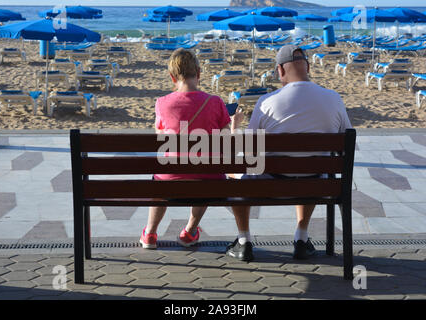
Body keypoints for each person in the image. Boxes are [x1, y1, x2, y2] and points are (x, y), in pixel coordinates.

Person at [227, 44, 352, 262]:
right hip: (317, 185)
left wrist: (234, 129)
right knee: (310, 168)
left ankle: (244, 240)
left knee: (234, 175)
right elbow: (345, 141)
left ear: (280, 70)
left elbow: (248, 151)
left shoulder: (266, 102)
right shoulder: (334, 98)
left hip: (272, 185)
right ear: (308, 67)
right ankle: (301, 238)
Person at [140, 48, 233, 249]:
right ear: (199, 74)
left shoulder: (162, 103)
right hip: (209, 182)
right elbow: (226, 139)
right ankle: (190, 231)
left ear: (172, 77)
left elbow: (160, 137)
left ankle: (150, 233)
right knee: (207, 170)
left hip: (170, 180)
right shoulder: (215, 102)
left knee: (161, 178)